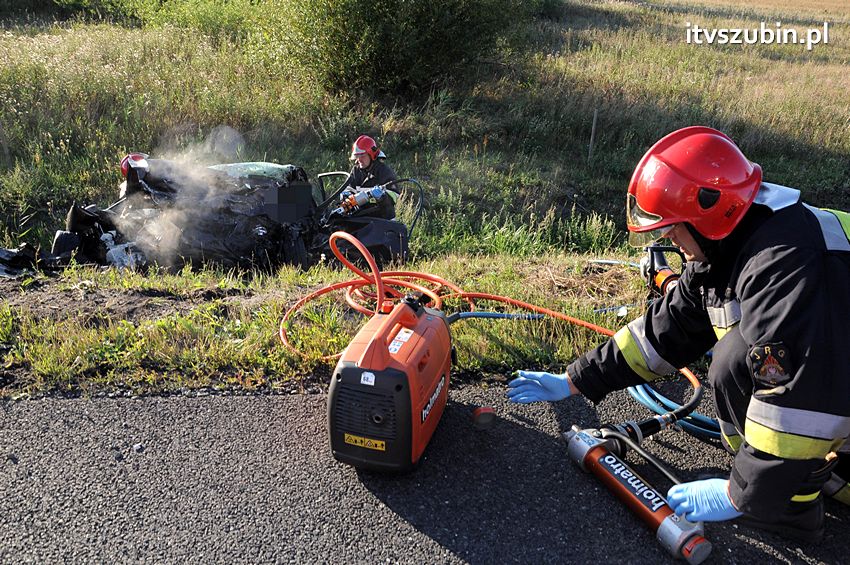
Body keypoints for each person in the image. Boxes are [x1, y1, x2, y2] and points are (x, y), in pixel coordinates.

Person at [506, 126, 850, 543]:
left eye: (672, 228)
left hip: (831, 399)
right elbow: (663, 334)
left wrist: (739, 494)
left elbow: (801, 402)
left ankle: (788, 509)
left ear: (709, 214)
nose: (667, 238)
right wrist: (574, 379)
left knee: (739, 362)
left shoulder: (787, 266)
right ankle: (784, 481)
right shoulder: (734, 244)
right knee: (735, 359)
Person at [339, 135, 400, 220]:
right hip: (361, 219)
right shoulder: (356, 171)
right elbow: (348, 189)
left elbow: (394, 196)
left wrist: (382, 197)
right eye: (357, 156)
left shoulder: (384, 172)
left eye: (362, 156)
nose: (359, 160)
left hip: (383, 220)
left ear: (372, 155)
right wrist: (345, 196)